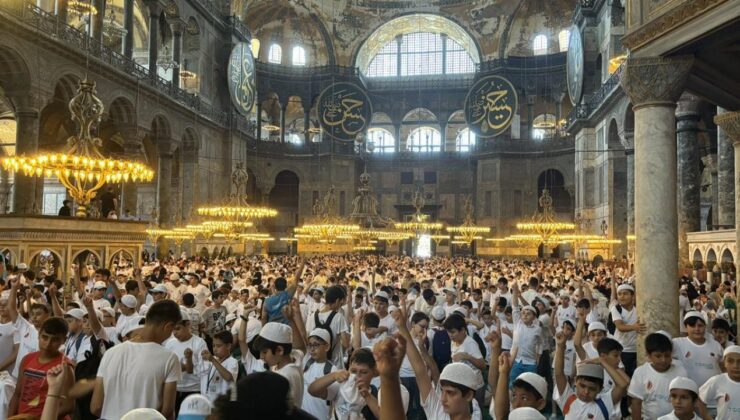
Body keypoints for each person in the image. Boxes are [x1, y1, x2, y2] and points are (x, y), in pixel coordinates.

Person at [91, 300, 183, 419]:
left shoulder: (110, 353)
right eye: (172, 330)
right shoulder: (169, 358)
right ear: (168, 326)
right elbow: (168, 411)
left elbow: (96, 406)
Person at [8, 317, 74, 418]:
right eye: (45, 337)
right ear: (38, 335)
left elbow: (68, 406)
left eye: (55, 340)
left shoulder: (65, 367)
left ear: (63, 340)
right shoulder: (27, 359)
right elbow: (17, 394)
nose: (48, 344)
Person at [629, 332, 689, 419]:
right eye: (658, 356)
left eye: (667, 355)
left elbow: (686, 399)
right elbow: (636, 403)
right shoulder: (641, 372)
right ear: (649, 355)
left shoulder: (680, 371)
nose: (663, 360)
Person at [164, 307, 208, 414]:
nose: (174, 333)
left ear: (188, 325)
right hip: (174, 389)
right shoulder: (170, 344)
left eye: (178, 328)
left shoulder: (199, 343)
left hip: (193, 389)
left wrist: (186, 364)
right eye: (172, 329)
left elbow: (204, 369)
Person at [253, 322, 304, 410]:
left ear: (279, 350)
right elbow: (301, 349)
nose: (261, 357)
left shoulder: (284, 376)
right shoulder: (294, 358)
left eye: (265, 352)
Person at [699, 345, 740, 419]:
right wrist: (706, 416)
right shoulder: (717, 380)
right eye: (730, 361)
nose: (736, 366)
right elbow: (699, 400)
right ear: (724, 363)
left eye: (739, 361)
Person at [200, 330, 238, 403]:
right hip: (207, 401)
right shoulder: (211, 360)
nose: (215, 349)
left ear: (228, 346)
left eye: (218, 346)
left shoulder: (232, 361)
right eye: (213, 346)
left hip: (222, 403)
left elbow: (229, 377)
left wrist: (213, 360)